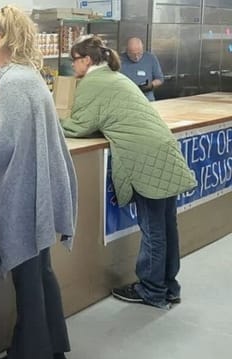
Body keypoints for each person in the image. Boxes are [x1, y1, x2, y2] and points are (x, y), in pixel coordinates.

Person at [0, 5, 78, 359]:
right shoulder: (29, 76)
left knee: (28, 276)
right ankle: (53, 348)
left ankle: (28, 358)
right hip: (37, 188)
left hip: (21, 191)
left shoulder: (12, 82)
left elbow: (2, 148)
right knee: (41, 271)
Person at [61, 36, 197, 309]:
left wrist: (53, 122)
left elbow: (79, 126)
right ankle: (169, 286)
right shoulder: (116, 76)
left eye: (74, 59)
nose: (72, 65)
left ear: (86, 60)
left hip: (144, 156)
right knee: (167, 226)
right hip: (163, 148)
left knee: (153, 229)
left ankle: (151, 290)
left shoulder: (93, 82)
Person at [120, 37, 164, 101]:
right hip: (126, 100)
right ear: (127, 51)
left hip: (147, 99)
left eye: (139, 53)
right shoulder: (119, 60)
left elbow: (160, 79)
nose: (136, 57)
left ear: (142, 49)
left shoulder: (151, 58)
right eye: (132, 54)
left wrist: (151, 85)